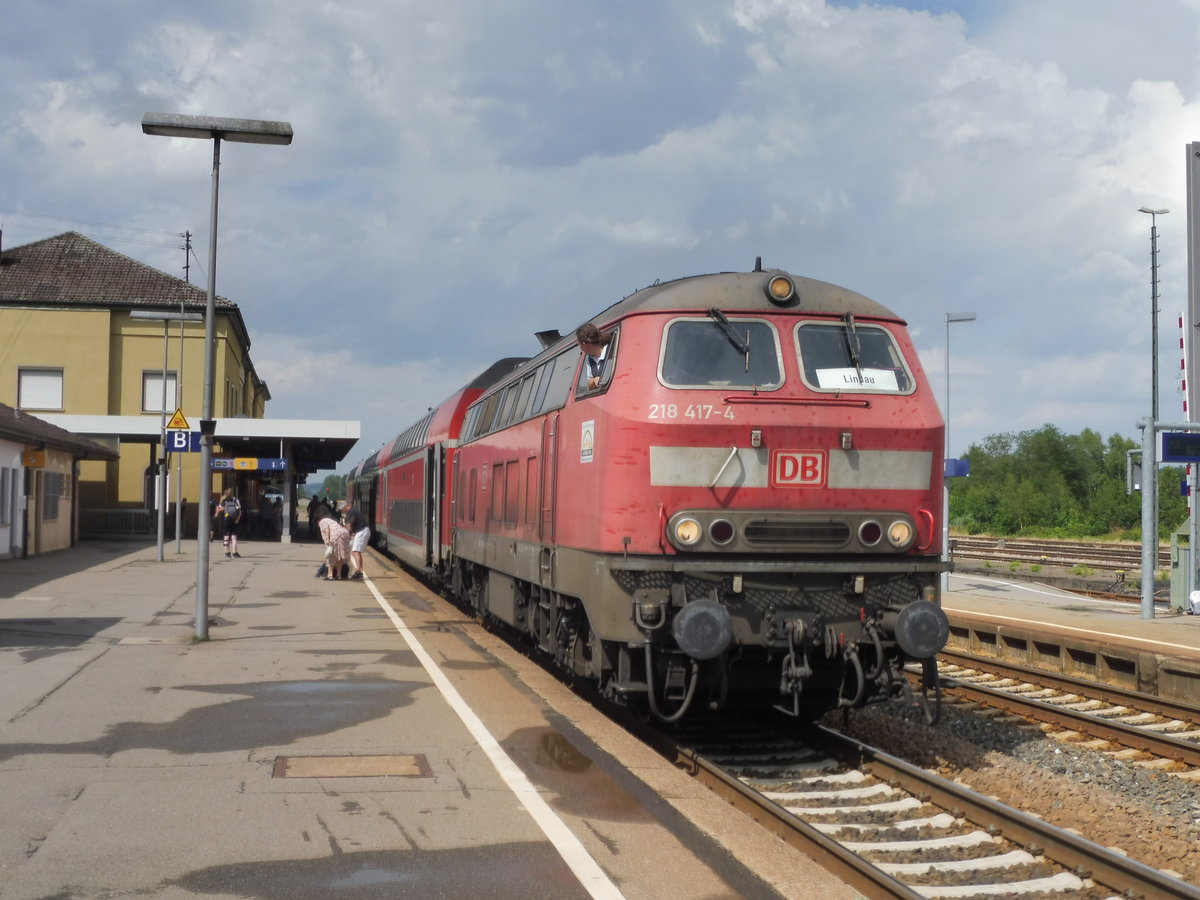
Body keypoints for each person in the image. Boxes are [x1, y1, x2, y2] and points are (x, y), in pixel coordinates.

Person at [575, 323, 614, 390]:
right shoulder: (590, 359)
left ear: (584, 344)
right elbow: (589, 383)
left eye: (579, 344)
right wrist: (595, 380)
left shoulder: (611, 351)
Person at [317, 512, 351, 581]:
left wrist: (328, 542)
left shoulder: (322, 522)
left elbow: (327, 531)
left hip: (336, 536)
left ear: (318, 521)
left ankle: (330, 575)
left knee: (331, 556)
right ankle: (339, 575)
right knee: (340, 555)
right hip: (345, 533)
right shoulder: (332, 521)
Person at [342, 500, 370, 580]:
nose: (342, 511)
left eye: (342, 509)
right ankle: (360, 571)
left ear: (345, 507)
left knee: (356, 551)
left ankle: (358, 571)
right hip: (361, 531)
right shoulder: (353, 511)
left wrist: (346, 533)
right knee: (357, 552)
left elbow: (349, 525)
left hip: (362, 531)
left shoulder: (351, 512)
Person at [215, 487, 243, 558]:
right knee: (234, 537)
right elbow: (240, 510)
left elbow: (219, 509)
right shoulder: (236, 500)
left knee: (226, 537)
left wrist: (217, 514)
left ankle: (226, 552)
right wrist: (237, 519)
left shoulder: (223, 501)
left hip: (226, 520)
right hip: (234, 520)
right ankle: (234, 552)